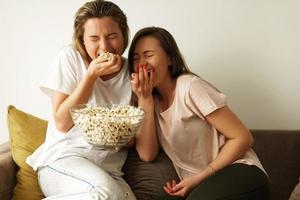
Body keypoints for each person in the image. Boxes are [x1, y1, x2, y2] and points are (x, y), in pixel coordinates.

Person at [128, 27, 270, 200]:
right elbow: (147, 154)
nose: (142, 64)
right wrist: (145, 99)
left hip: (240, 171)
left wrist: (200, 177)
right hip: (203, 185)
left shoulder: (190, 87)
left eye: (149, 55)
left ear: (170, 59)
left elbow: (242, 137)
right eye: (136, 58)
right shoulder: (150, 101)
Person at [26, 0, 136, 199]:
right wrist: (90, 76)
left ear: (124, 36)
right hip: (63, 161)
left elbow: (135, 139)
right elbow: (62, 123)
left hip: (108, 170)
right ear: (82, 40)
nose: (105, 47)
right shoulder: (70, 58)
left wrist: (118, 136)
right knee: (106, 194)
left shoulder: (133, 73)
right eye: (94, 38)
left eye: (112, 36)